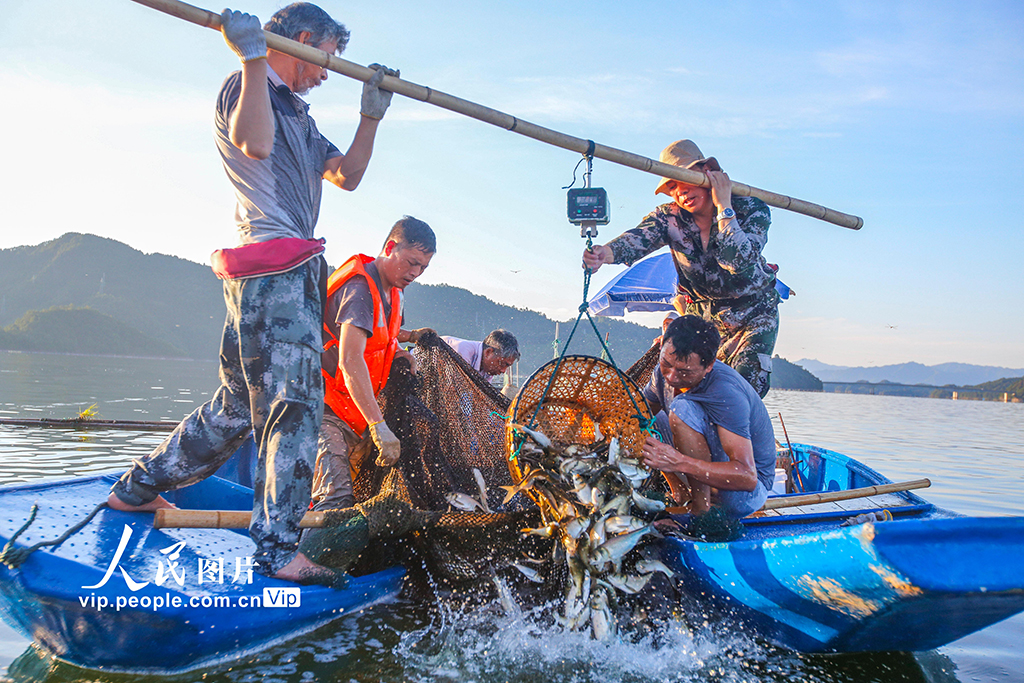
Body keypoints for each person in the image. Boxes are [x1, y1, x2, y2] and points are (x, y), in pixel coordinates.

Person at [108, 3, 398, 584]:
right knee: (296, 408)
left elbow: (346, 176)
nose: (326, 73)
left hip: (279, 275)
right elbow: (254, 144)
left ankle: (136, 489)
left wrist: (372, 116)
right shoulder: (248, 84)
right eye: (327, 60)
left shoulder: (300, 114)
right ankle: (277, 552)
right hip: (276, 266)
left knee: (239, 407)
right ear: (307, 40)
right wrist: (252, 55)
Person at [582, 140, 779, 398]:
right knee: (689, 387)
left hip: (752, 314)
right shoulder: (669, 217)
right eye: (672, 186)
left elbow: (737, 260)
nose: (680, 192)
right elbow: (638, 238)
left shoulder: (751, 209)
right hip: (703, 317)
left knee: (741, 392)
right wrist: (603, 254)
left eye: (685, 179)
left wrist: (724, 207)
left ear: (707, 172)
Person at [312, 217, 436, 512]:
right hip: (323, 410)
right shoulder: (360, 290)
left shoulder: (395, 290)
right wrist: (379, 426)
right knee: (336, 501)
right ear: (390, 247)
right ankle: (305, 558)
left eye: (423, 267)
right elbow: (350, 359)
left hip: (355, 413)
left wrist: (401, 351)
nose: (415, 273)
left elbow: (383, 337)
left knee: (358, 495)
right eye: (411, 262)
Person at [639, 315, 777, 520]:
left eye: (685, 372)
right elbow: (637, 414)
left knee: (682, 408)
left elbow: (747, 477)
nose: (672, 377)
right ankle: (681, 493)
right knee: (643, 418)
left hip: (744, 493)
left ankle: (700, 511)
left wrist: (678, 463)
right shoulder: (662, 373)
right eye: (666, 364)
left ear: (709, 365)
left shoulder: (726, 391)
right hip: (699, 473)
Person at [441, 329, 520, 382]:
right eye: (502, 364)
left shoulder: (488, 369)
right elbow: (452, 390)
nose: (503, 371)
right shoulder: (462, 353)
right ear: (488, 352)